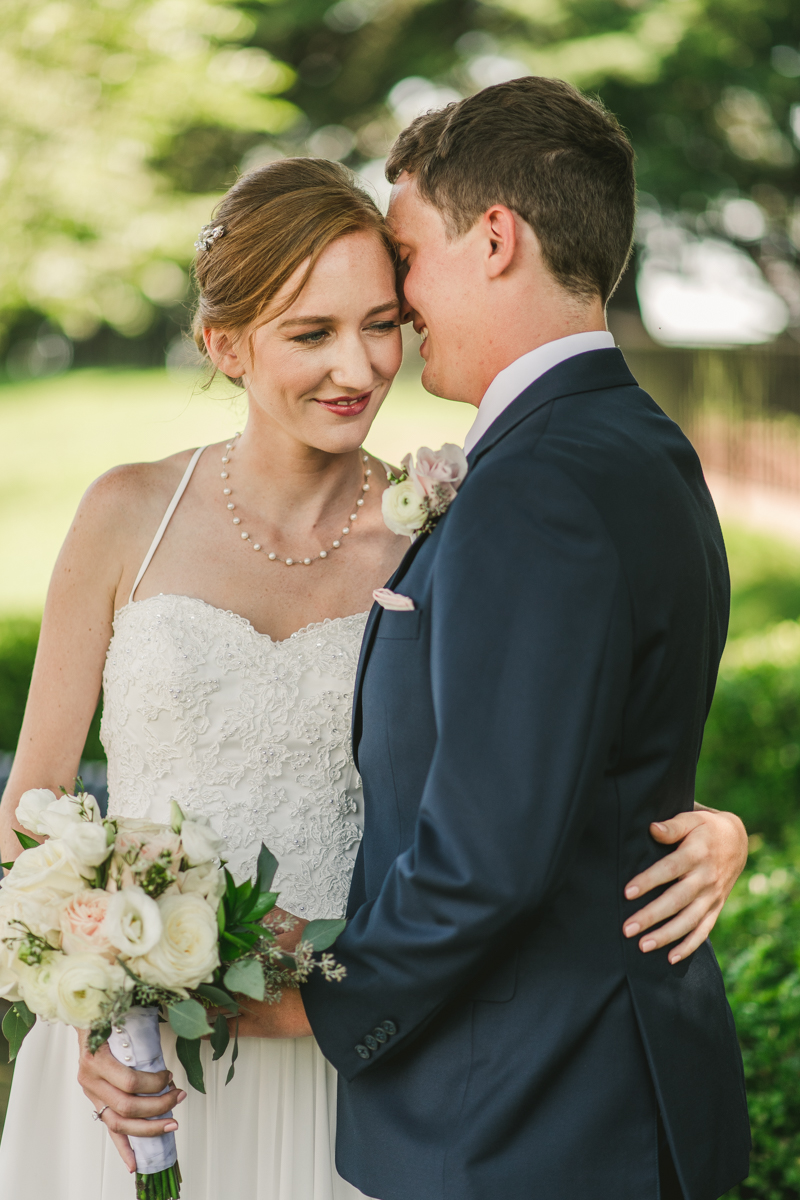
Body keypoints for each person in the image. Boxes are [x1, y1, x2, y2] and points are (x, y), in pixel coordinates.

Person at [0, 148, 744, 1198]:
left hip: (367, 1062)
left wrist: (700, 822)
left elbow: (532, 754)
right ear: (225, 343)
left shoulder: (447, 531)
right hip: (144, 1060)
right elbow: (33, 806)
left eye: (381, 322)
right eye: (310, 333)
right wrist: (86, 999)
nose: (356, 369)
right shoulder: (125, 512)